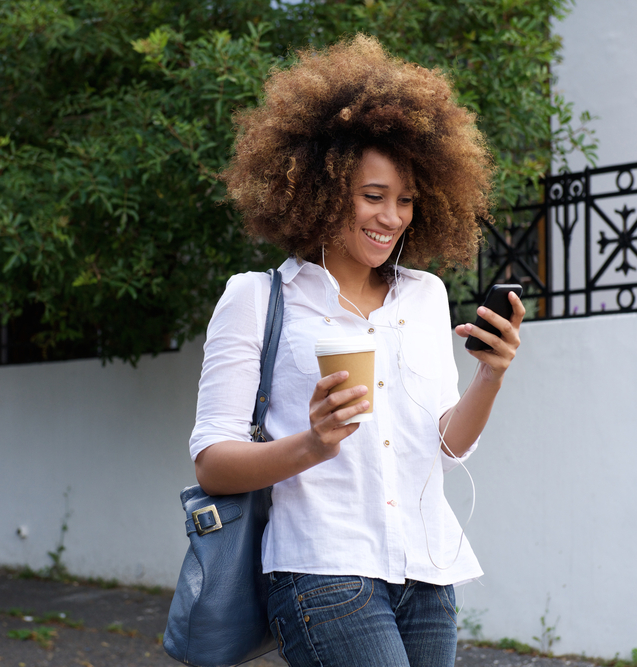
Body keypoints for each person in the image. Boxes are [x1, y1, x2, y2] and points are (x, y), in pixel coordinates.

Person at [189, 35, 524, 667]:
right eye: (373, 196)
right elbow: (212, 462)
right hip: (322, 572)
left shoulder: (423, 297)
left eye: (405, 199)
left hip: (428, 572)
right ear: (321, 188)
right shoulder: (257, 300)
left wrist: (491, 376)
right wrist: (313, 443)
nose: (391, 217)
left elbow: (446, 447)